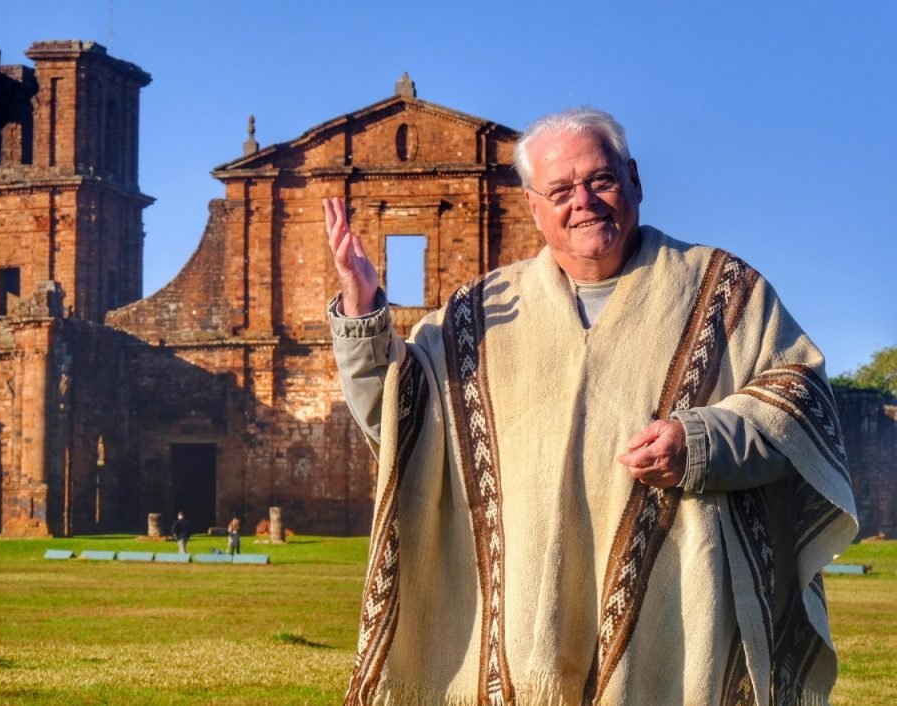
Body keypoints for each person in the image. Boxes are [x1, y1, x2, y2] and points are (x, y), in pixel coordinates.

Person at [324, 107, 857, 706]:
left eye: (600, 180)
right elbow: (398, 416)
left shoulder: (722, 290)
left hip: (678, 618)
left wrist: (703, 442)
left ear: (634, 180)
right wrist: (363, 308)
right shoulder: (479, 313)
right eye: (560, 189)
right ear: (533, 206)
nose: (584, 201)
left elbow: (801, 399)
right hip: (522, 621)